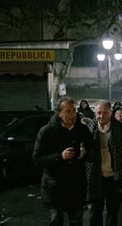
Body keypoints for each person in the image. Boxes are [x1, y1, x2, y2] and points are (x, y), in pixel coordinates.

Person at [85, 100, 122, 226]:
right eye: (98, 113)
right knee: (95, 212)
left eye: (105, 113)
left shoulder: (121, 128)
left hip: (114, 177)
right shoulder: (88, 129)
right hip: (95, 177)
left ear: (111, 113)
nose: (101, 116)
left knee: (113, 212)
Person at [33, 97, 89, 226]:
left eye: (74, 111)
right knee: (56, 220)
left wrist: (85, 153)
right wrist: (60, 157)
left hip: (76, 185)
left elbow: (93, 152)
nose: (72, 115)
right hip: (54, 186)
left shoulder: (82, 130)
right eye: (68, 111)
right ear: (59, 113)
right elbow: (37, 159)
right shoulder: (46, 131)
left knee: (76, 221)